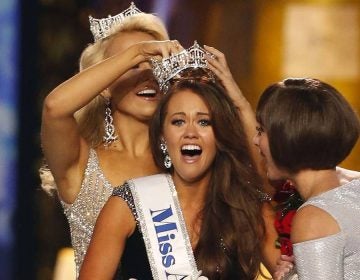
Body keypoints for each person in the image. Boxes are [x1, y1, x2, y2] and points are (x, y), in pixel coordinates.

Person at [79, 43, 269, 279]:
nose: (190, 132)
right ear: (162, 136)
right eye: (178, 122)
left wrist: (239, 101)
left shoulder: (245, 207)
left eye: (204, 122)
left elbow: (269, 177)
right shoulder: (128, 204)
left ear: (220, 135)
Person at [39, 3, 185, 275]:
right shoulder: (81, 163)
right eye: (132, 66)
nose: (147, 75)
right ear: (104, 86)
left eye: (155, 64)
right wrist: (138, 51)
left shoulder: (184, 161)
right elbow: (54, 108)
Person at [253, 78, 360, 279]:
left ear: (287, 136)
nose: (255, 140)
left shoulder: (313, 219)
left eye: (261, 131)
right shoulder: (355, 187)